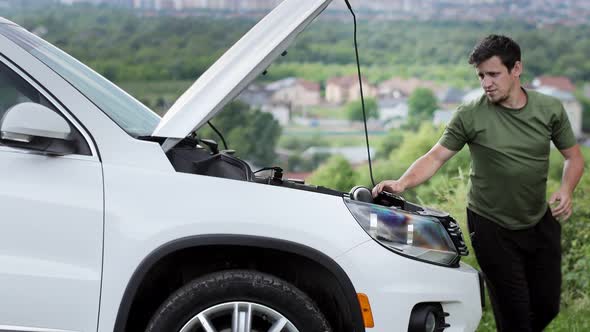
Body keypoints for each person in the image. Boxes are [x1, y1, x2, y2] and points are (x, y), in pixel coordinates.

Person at [372, 35, 585, 332]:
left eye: (493, 74)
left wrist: (566, 189)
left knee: (546, 306)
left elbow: (574, 158)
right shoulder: (470, 115)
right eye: (481, 76)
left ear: (517, 69)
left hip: (538, 221)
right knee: (515, 315)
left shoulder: (549, 109)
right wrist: (402, 182)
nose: (486, 83)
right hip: (490, 225)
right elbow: (435, 157)